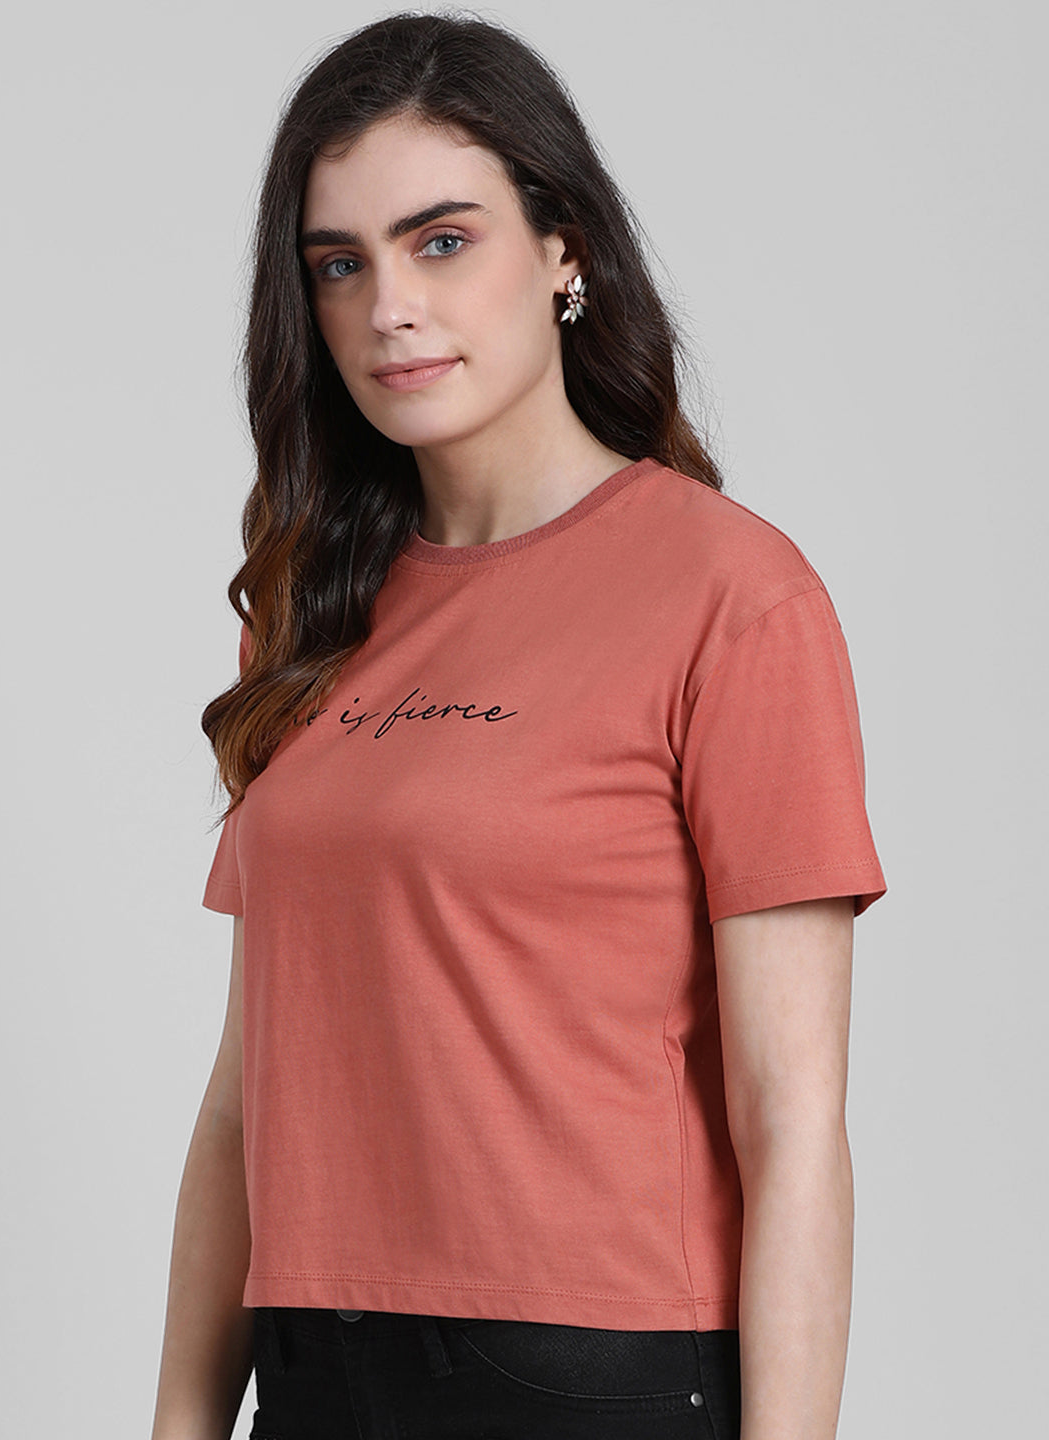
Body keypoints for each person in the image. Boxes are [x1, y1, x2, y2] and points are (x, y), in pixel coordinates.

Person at [150, 11, 886, 1440]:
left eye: (441, 241)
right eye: (338, 264)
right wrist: (182, 1421)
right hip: (315, 1367)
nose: (389, 307)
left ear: (564, 251)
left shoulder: (731, 596)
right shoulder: (306, 617)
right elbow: (246, 1092)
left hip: (594, 1373)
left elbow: (792, 1121)